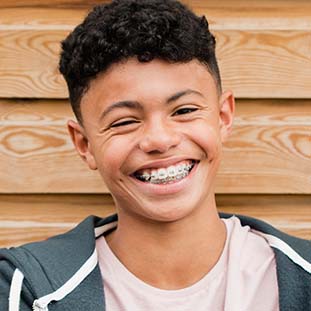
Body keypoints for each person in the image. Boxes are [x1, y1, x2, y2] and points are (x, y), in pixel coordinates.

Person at [1, 0, 310, 310]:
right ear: (84, 144)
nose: (160, 140)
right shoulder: (26, 288)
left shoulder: (302, 277)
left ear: (223, 117)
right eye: (124, 121)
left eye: (185, 110)